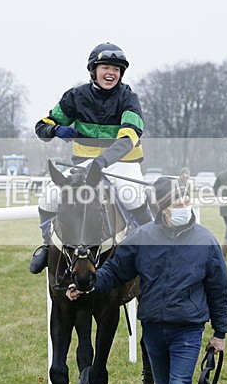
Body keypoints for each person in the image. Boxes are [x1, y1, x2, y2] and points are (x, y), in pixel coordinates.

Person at [66, 177, 227, 384]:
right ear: (164, 208)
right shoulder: (142, 237)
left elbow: (219, 289)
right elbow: (116, 271)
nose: (185, 207)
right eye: (179, 203)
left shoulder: (205, 240)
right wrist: (88, 283)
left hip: (188, 331)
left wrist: (219, 333)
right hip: (153, 329)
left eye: (187, 202)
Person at [29, 42, 152, 274]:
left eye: (116, 69)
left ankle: (154, 249)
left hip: (123, 164)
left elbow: (128, 138)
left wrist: (102, 162)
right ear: (93, 70)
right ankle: (47, 246)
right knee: (49, 194)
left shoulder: (128, 98)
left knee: (132, 195)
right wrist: (55, 130)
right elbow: (41, 126)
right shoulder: (75, 97)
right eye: (105, 67)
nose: (111, 73)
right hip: (85, 165)